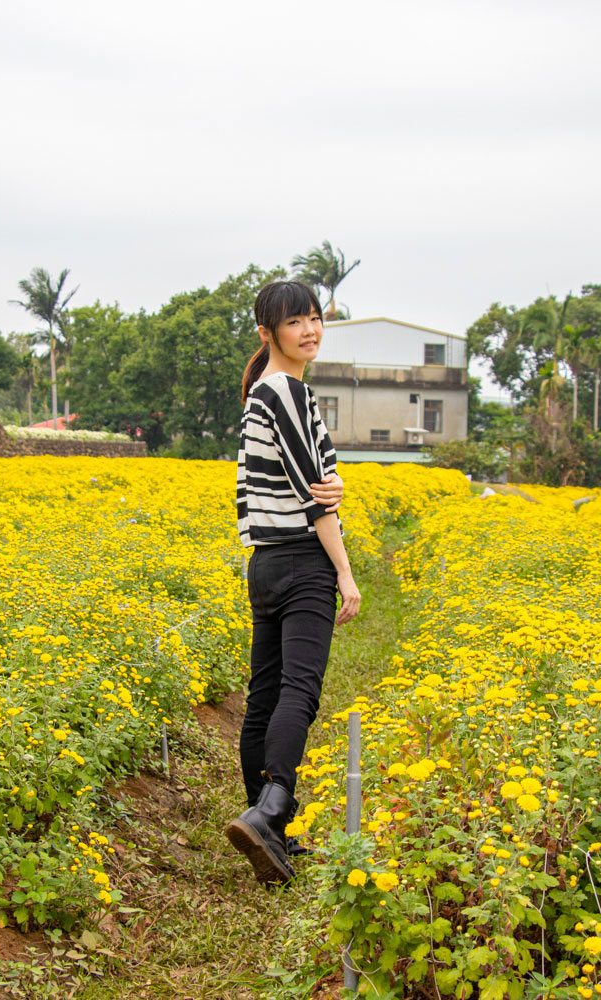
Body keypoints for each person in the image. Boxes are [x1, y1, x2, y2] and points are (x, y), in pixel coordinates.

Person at [225, 279, 362, 884]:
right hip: (304, 559)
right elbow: (316, 494)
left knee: (264, 695)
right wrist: (344, 571)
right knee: (298, 692)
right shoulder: (287, 393)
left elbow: (247, 495)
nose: (309, 330)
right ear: (267, 332)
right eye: (295, 322)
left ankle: (267, 831)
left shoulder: (261, 393)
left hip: (265, 563)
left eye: (315, 319)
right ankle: (273, 807)